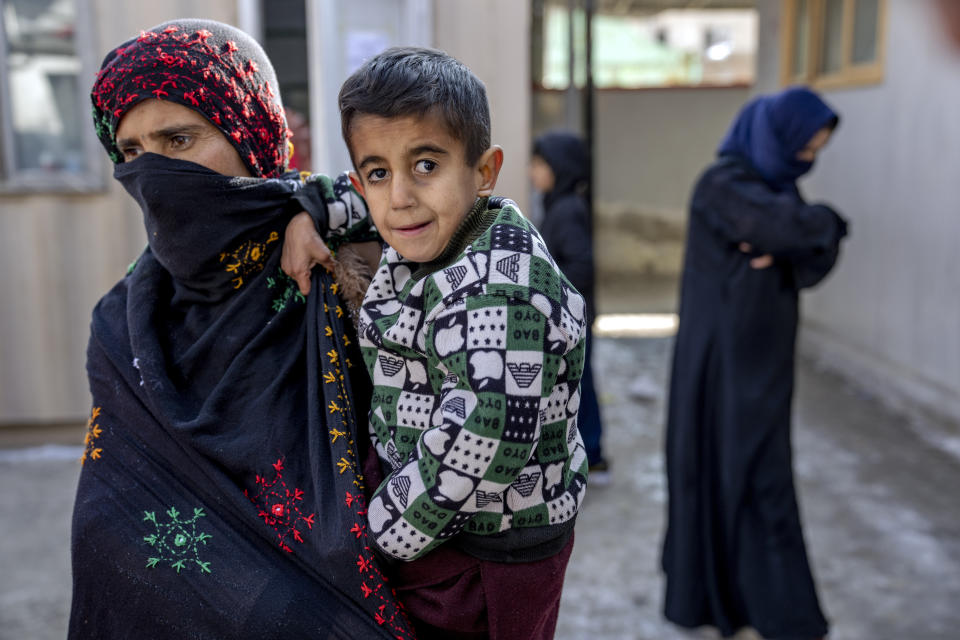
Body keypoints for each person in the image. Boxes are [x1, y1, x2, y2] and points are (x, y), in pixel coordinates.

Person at [71, 19, 414, 639]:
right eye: (131, 152)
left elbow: (458, 207)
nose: (153, 174)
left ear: (252, 137)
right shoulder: (122, 323)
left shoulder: (354, 271)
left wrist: (323, 211)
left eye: (179, 140)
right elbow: (112, 524)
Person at [284, 47, 590, 639]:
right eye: (379, 172)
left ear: (484, 170)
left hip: (489, 549)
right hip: (447, 512)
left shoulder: (499, 291)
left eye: (426, 164)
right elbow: (368, 206)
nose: (398, 196)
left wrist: (374, 539)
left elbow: (484, 439)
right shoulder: (440, 220)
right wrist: (309, 212)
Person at [661, 86, 848, 640]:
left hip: (763, 366)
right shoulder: (722, 186)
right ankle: (759, 609)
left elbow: (810, 253)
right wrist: (824, 224)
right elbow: (787, 232)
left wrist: (810, 232)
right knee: (736, 472)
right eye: (803, 147)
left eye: (816, 152)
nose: (807, 160)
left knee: (759, 474)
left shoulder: (777, 190)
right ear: (776, 136)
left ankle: (756, 602)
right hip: (724, 369)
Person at [529, 131, 609, 481]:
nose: (533, 172)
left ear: (559, 168)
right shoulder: (556, 205)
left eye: (539, 164)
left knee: (581, 383)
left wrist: (544, 285)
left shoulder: (568, 209)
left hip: (573, 317)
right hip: (565, 316)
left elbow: (582, 266)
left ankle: (593, 453)